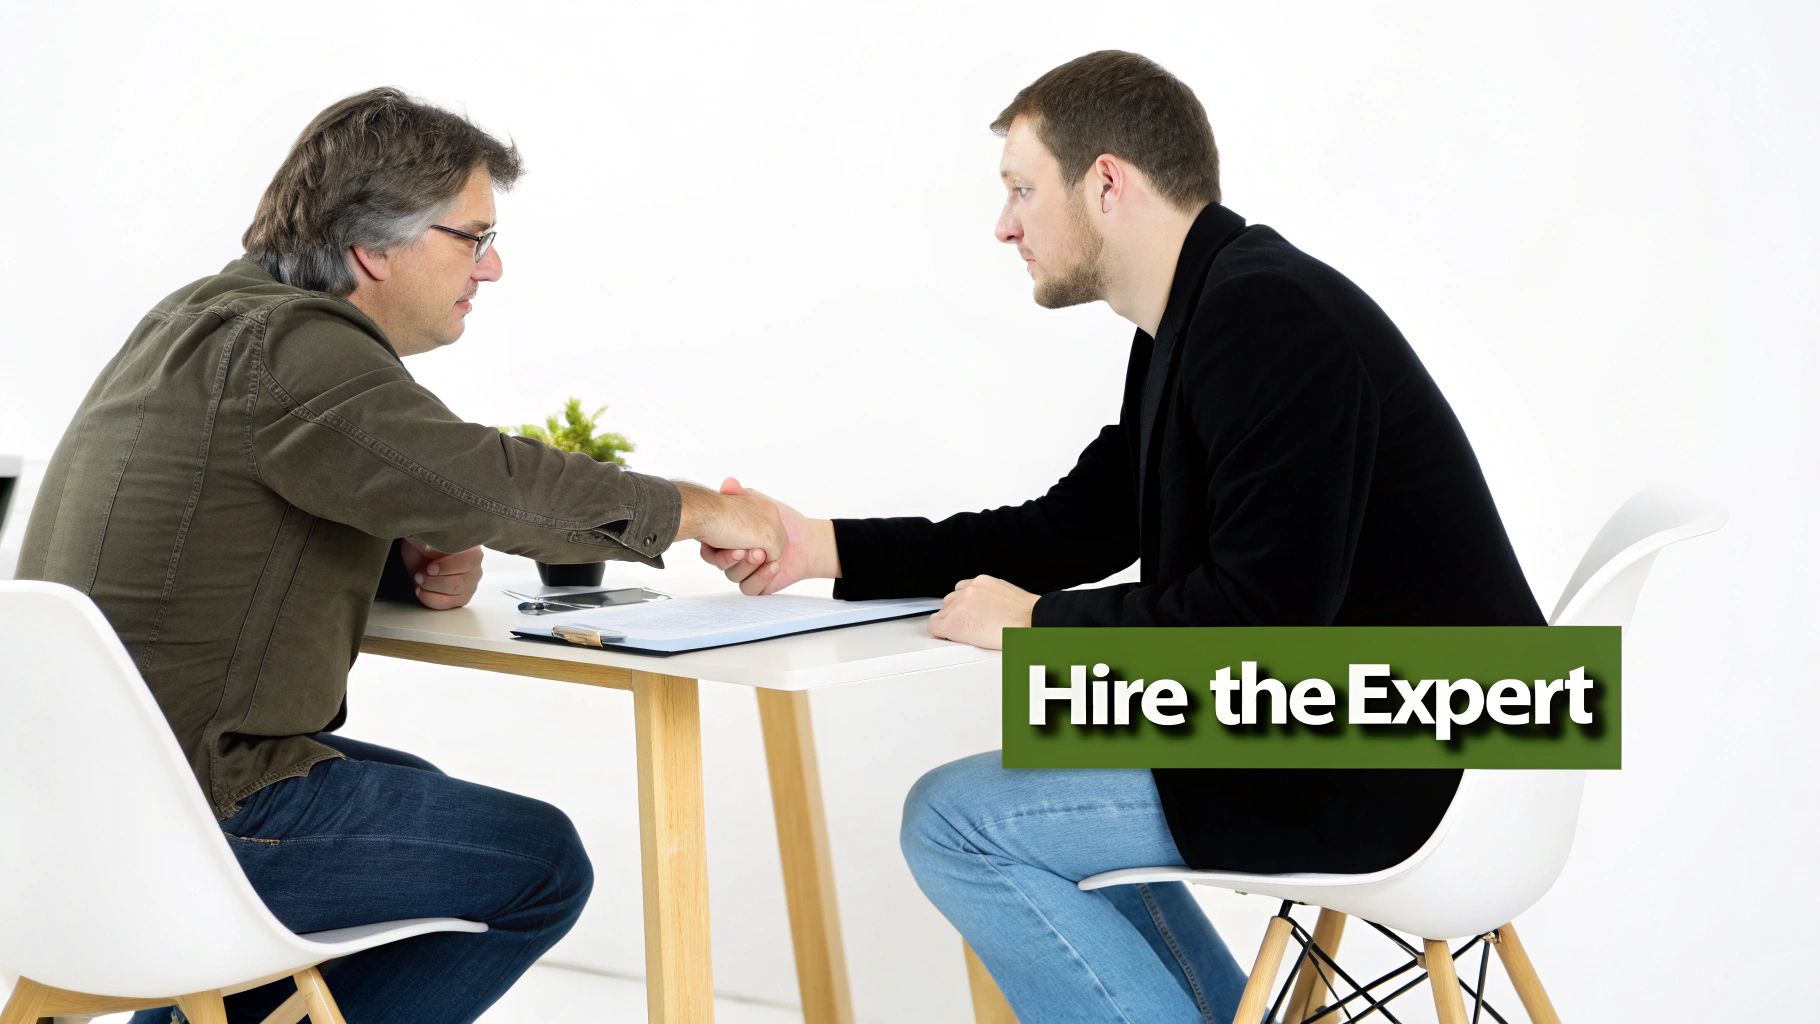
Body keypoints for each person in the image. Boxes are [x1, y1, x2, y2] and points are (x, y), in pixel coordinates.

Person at [702, 51, 1545, 1022]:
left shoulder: (1265, 317)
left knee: (956, 821)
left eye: (1021, 188)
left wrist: (1036, 624)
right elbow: (1072, 525)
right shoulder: (1196, 319)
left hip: (1429, 744)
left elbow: (1258, 619)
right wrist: (822, 544)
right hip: (1385, 715)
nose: (1003, 224)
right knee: (1058, 746)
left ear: (1105, 181)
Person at [16, 87, 786, 1024]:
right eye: (472, 238)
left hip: (59, 820)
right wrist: (702, 512)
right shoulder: (294, 346)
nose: (493, 267)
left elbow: (213, 536)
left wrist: (397, 557)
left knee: (419, 799)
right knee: (538, 864)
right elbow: (494, 484)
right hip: (196, 820)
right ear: (372, 247)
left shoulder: (197, 321)